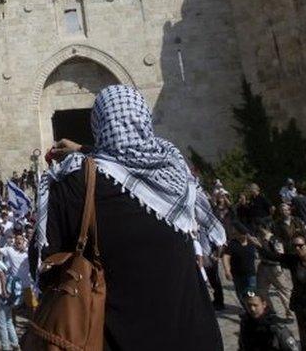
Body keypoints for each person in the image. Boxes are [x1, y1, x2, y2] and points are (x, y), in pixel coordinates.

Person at [35, 85, 225, 349]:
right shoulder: (173, 170)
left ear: (98, 124)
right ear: (144, 118)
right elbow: (127, 160)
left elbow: (43, 260)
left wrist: (83, 155)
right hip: (194, 334)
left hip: (121, 337)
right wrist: (85, 151)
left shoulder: (74, 186)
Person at [253, 234, 306, 351]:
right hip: (304, 310)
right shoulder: (293, 261)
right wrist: (258, 246)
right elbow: (273, 256)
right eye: (295, 246)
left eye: (300, 245)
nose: (297, 249)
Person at [255, 223, 292, 319]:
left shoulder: (274, 239)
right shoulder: (259, 238)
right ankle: (270, 310)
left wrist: (262, 245)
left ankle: (289, 313)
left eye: (261, 229)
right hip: (263, 266)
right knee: (261, 290)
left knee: (283, 290)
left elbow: (279, 255)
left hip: (274, 267)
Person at [0, 248, 20, 351]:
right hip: (9, 297)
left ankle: (5, 347)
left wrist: (3, 291)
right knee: (9, 321)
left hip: (0, 298)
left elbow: (1, 275)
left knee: (2, 324)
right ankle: (15, 344)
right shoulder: (1, 263)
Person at [224, 226, 260, 308]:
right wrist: (227, 270)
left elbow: (261, 248)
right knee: (241, 293)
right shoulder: (233, 244)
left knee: (251, 293)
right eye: (241, 234)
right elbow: (226, 257)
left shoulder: (251, 242)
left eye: (245, 234)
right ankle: (246, 308)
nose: (244, 236)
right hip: (237, 274)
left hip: (250, 274)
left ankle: (252, 307)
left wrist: (256, 242)